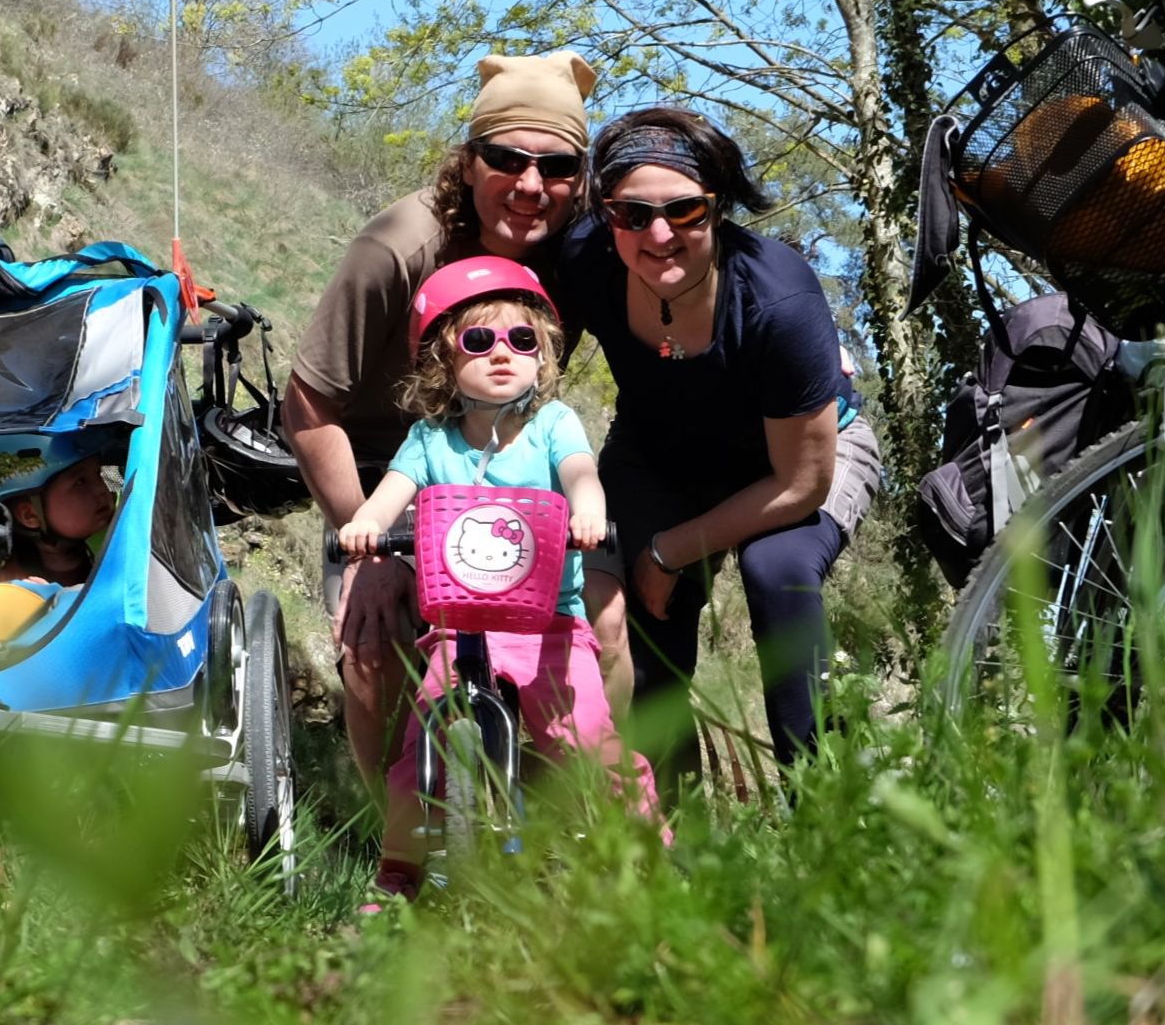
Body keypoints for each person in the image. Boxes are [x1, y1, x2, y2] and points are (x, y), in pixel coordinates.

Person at [284, 50, 625, 805]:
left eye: (559, 166)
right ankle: (387, 830)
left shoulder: (580, 252)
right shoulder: (398, 246)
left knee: (607, 612)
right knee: (375, 640)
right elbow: (307, 405)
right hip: (391, 467)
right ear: (469, 162)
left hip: (526, 469)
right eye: (508, 158)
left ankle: (580, 812)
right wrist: (368, 545)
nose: (532, 185)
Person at [557, 105, 880, 783]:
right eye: (632, 214)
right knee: (637, 616)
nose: (660, 233)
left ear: (718, 207)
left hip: (803, 462)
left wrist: (673, 548)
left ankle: (826, 808)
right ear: (607, 212)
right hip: (660, 452)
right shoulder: (587, 257)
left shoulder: (776, 301)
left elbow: (802, 485)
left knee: (777, 572)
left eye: (687, 210)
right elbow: (521, 354)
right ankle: (668, 833)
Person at [338, 257, 659, 909]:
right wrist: (365, 525)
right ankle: (399, 874)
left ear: (543, 356)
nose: (502, 354)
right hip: (458, 626)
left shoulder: (552, 425)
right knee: (418, 753)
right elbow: (390, 496)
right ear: (443, 362)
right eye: (478, 342)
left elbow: (578, 473)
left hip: (551, 626)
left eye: (523, 340)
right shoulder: (430, 440)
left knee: (592, 744)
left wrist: (589, 507)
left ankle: (649, 858)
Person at [0, 431, 120, 588]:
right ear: (30, 515)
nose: (101, 489)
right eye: (80, 482)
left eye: (98, 474)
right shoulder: (7, 589)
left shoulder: (119, 538)